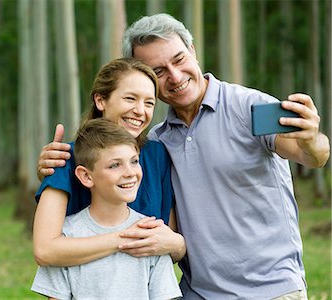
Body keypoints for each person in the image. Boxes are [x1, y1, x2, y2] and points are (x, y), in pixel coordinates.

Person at [37, 13, 330, 299]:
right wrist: (55, 170)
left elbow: (311, 155)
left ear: (193, 51)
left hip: (270, 289)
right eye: (160, 71)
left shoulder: (247, 107)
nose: (175, 76)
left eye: (178, 59)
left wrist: (311, 140)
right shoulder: (160, 140)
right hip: (198, 292)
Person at [33, 57, 186, 272]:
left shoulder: (157, 156)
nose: (140, 111)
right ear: (100, 100)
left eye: (149, 102)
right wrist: (126, 239)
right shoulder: (64, 158)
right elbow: (45, 249)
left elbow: (168, 246)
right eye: (130, 98)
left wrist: (178, 244)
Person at [31, 119, 182, 300]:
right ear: (86, 176)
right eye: (115, 165)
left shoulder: (151, 235)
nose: (130, 172)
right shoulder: (66, 236)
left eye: (134, 161)